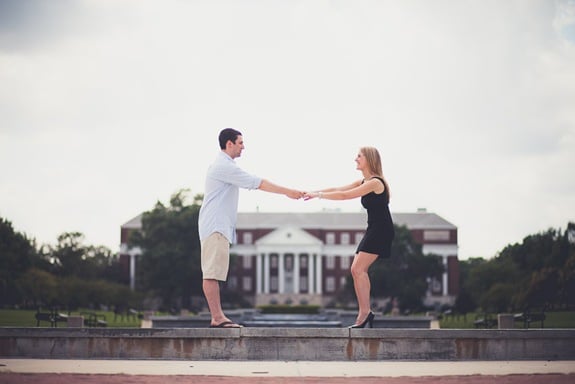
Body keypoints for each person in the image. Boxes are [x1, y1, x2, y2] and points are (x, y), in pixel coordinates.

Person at [198, 128, 303, 328]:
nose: (243, 146)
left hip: (217, 226)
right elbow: (258, 183)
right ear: (229, 144)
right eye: (240, 142)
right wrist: (289, 192)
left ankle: (218, 317)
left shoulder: (223, 166)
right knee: (211, 273)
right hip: (216, 226)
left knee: (214, 272)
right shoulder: (224, 166)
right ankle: (217, 318)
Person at [304, 146, 394, 328]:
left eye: (359, 156)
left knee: (358, 269)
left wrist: (319, 195)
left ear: (369, 159)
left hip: (381, 229)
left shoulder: (376, 183)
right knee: (357, 270)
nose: (355, 159)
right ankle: (365, 312)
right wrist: (313, 193)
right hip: (373, 228)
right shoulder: (364, 181)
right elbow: (338, 188)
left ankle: (364, 313)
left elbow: (345, 196)